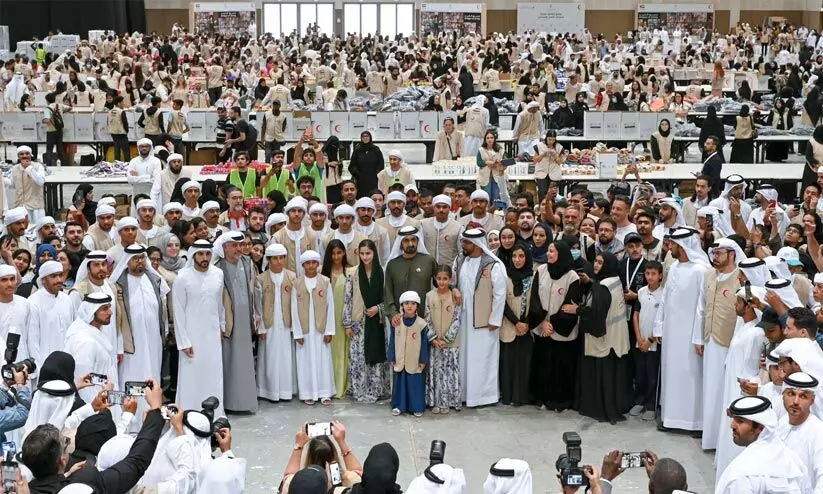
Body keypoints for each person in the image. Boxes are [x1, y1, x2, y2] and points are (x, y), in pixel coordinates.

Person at [22, 377, 166, 494]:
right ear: (62, 461)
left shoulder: (23, 489)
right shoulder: (82, 483)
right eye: (65, 443)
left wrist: (65, 475)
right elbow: (135, 463)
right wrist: (155, 411)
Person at [655, 227, 711, 432]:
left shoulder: (701, 270)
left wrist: (698, 337)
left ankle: (693, 422)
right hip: (672, 334)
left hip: (690, 337)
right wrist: (659, 327)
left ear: (684, 246)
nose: (670, 248)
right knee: (672, 374)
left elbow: (701, 308)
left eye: (674, 245)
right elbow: (665, 299)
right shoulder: (676, 267)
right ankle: (671, 419)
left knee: (690, 375)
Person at [715, 284, 769, 478]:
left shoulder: (757, 333)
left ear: (748, 305)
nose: (734, 306)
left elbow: (755, 369)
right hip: (732, 386)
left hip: (742, 390)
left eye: (738, 302)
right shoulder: (744, 327)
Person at [574, 252, 632, 423]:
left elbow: (596, 312)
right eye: (596, 262)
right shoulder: (615, 280)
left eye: (600, 262)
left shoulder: (602, 286)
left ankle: (599, 408)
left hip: (604, 340)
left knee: (603, 378)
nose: (596, 265)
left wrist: (576, 310)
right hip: (618, 339)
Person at [699, 238, 744, 452]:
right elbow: (701, 308)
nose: (715, 257)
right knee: (710, 389)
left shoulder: (740, 279)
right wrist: (698, 339)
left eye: (719, 253)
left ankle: (726, 440)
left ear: (732, 254)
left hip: (729, 343)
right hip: (710, 339)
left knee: (725, 391)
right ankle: (710, 438)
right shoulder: (709, 275)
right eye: (713, 253)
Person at [172, 239, 226, 415]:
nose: (205, 258)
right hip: (191, 336)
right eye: (201, 254)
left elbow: (220, 304)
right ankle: (189, 412)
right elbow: (178, 311)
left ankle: (215, 413)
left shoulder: (218, 274)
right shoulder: (182, 277)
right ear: (193, 255)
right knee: (191, 376)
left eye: (208, 254)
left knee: (213, 374)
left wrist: (221, 326)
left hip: (212, 334)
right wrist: (183, 341)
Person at [455, 228, 506, 408]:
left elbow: (500, 294)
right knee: (464, 359)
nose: (464, 246)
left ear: (477, 245)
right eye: (463, 242)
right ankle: (463, 395)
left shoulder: (493, 265)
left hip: (485, 323)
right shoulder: (460, 261)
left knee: (483, 359)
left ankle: (484, 396)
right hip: (463, 319)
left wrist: (495, 319)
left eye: (467, 243)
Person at [716, 395, 808, 494]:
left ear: (760, 428)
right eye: (733, 419)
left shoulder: (743, 474)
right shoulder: (793, 460)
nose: (732, 426)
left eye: (740, 421)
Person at [214, 231, 262, 413]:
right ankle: (228, 404)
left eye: (240, 245)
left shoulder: (248, 263)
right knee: (228, 361)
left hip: (245, 323)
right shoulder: (218, 267)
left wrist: (257, 318)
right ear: (225, 247)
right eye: (234, 246)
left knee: (245, 363)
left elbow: (256, 291)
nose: (238, 249)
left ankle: (246, 403)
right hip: (228, 324)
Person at [344, 239, 390, 404]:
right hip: (358, 322)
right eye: (362, 253)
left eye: (368, 253)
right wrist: (347, 323)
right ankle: (360, 390)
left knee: (375, 357)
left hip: (377, 322)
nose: (365, 257)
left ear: (374, 253)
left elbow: (389, 298)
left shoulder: (382, 272)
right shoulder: (352, 273)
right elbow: (347, 299)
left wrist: (379, 308)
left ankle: (376, 390)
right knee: (358, 357)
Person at [292, 250, 336, 406]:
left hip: (321, 329)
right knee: (305, 361)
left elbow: (330, 307)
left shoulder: (325, 282)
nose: (311, 266)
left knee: (323, 360)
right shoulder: (297, 283)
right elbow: (293, 309)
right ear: (303, 265)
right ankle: (307, 393)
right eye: (308, 263)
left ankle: (325, 392)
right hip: (304, 330)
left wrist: (329, 330)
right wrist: (297, 333)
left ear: (318, 264)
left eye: (314, 263)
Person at [257, 243, 296, 403]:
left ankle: (287, 390)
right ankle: (269, 391)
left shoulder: (292, 277)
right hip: (268, 324)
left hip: (286, 324)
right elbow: (258, 306)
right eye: (275, 258)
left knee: (287, 356)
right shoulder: (261, 278)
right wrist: (260, 328)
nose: (278, 261)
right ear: (269, 259)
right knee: (269, 357)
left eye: (281, 258)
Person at [63, 292, 118, 404]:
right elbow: (84, 382)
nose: (110, 312)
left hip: (104, 398)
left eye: (109, 307)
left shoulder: (93, 333)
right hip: (95, 405)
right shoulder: (84, 341)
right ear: (91, 312)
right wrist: (93, 409)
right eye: (105, 308)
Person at [774, 371, 823, 492]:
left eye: (803, 396)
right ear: (783, 395)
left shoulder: (818, 432)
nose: (796, 401)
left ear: (812, 401)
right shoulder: (782, 423)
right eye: (791, 394)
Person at [498, 245, 534, 407]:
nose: (517, 260)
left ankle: (521, 397)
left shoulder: (532, 277)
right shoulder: (505, 278)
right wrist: (516, 322)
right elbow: (502, 303)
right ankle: (508, 396)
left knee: (523, 364)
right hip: (509, 325)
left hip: (527, 328)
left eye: (521, 256)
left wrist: (525, 323)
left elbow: (536, 302)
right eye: (514, 256)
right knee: (508, 364)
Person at [630, 260, 663, 421]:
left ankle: (651, 405)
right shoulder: (642, 292)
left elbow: (663, 320)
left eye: (653, 274)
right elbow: (636, 314)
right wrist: (639, 338)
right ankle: (640, 401)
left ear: (660, 275)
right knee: (640, 374)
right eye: (647, 274)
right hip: (640, 341)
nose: (650, 277)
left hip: (654, 343)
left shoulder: (663, 294)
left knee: (652, 375)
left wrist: (649, 340)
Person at [28, 260, 74, 372]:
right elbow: (32, 341)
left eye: (60, 275)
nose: (59, 280)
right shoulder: (33, 302)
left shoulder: (67, 299)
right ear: (43, 280)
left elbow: (71, 332)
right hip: (44, 364)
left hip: (66, 362)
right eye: (53, 276)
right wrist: (39, 369)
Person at [389, 291, 429, 417]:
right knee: (400, 385)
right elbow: (392, 340)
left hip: (414, 360)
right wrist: (392, 356)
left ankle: (416, 407)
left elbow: (424, 344)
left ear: (417, 306)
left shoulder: (422, 324)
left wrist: (423, 360)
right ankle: (398, 406)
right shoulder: (397, 322)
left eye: (413, 303)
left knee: (414, 385)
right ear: (402, 305)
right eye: (407, 303)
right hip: (400, 359)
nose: (410, 306)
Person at [322, 240, 350, 399]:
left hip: (343, 318)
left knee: (342, 353)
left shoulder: (350, 271)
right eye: (333, 253)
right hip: (325, 319)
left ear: (344, 253)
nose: (336, 256)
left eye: (339, 252)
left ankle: (340, 386)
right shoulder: (322, 271)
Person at [272, 198, 317, 275]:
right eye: (293, 211)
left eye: (300, 211)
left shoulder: (312, 235)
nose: (296, 214)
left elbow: (316, 259)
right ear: (288, 213)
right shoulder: (277, 237)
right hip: (285, 282)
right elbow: (273, 264)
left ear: (303, 214)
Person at [421, 194, 462, 269]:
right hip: (427, 269)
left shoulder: (458, 227)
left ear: (449, 208)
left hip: (449, 271)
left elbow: (461, 252)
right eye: (438, 207)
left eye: (444, 207)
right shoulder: (423, 224)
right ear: (434, 207)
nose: (441, 210)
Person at [10, 146, 47, 222]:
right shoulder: (15, 168)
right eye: (22, 154)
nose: (24, 156)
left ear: (31, 155)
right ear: (18, 156)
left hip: (35, 206)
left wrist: (29, 168)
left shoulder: (38, 166)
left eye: (27, 154)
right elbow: (12, 185)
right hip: (20, 206)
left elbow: (40, 182)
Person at [476, 131, 510, 207]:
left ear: (494, 139)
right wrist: (489, 162)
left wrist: (500, 163)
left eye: (491, 138)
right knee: (486, 196)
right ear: (485, 139)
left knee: (497, 196)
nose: (490, 139)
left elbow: (506, 161)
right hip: (485, 176)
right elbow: (479, 162)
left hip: (497, 175)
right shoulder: (481, 150)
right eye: (487, 138)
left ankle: (497, 213)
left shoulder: (501, 150)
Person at [348, 131, 384, 198]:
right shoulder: (357, 150)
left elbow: (381, 164)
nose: (365, 138)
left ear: (370, 137)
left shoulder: (376, 149)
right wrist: (357, 174)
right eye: (363, 136)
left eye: (367, 136)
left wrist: (376, 173)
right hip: (361, 180)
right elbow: (352, 165)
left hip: (373, 180)